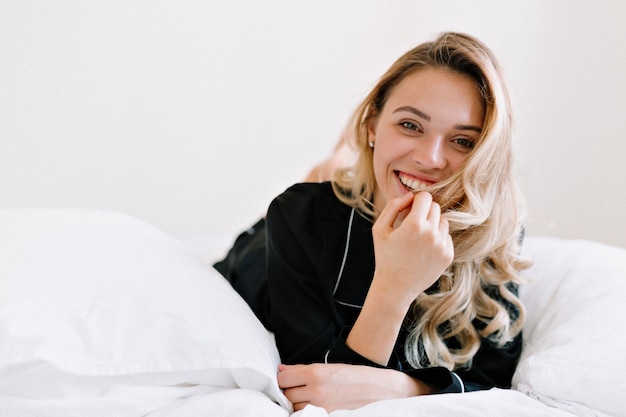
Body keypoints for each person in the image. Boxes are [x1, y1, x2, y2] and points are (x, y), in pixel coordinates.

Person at [214, 32, 531, 412]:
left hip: (358, 191)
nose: (430, 158)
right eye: (411, 125)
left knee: (346, 182)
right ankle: (334, 169)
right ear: (371, 124)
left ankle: (345, 167)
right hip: (266, 255)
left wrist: (407, 389)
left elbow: (493, 385)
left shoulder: (495, 240)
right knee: (320, 192)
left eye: (462, 141)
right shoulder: (298, 216)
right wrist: (395, 287)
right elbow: (317, 393)